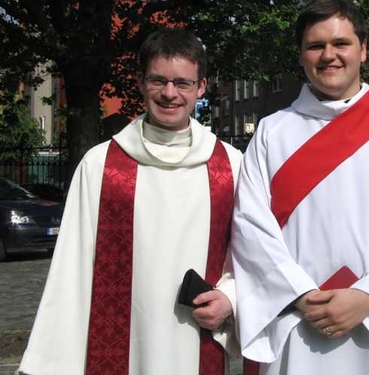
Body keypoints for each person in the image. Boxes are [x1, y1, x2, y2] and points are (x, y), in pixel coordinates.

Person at [19, 28, 243, 375]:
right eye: (158, 81)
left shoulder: (230, 166)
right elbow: (71, 265)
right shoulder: (101, 165)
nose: (170, 93)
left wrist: (230, 297)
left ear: (201, 86)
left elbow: (250, 253)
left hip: (196, 340)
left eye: (182, 83)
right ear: (140, 82)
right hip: (117, 345)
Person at [231, 0, 369, 374]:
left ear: (363, 49)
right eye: (315, 45)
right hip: (297, 322)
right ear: (300, 55)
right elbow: (251, 226)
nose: (329, 55)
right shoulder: (272, 131)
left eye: (341, 43)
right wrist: (302, 295)